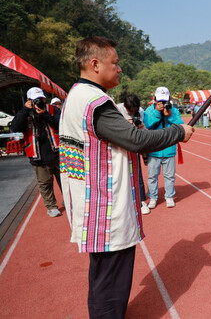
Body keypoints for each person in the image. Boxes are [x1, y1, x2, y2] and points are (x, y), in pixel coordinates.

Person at [59, 36, 194, 318]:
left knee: (103, 277)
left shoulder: (76, 95)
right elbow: (136, 139)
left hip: (92, 202)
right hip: (105, 208)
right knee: (110, 282)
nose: (120, 69)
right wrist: (179, 132)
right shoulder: (94, 102)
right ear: (95, 64)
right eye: (115, 63)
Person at [11, 87, 62, 218]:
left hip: (57, 153)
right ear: (29, 101)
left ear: (45, 99)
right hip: (38, 156)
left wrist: (45, 114)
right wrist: (25, 110)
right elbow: (15, 127)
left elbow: (60, 124)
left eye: (41, 99)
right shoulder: (25, 113)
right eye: (35, 100)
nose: (39, 102)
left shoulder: (52, 109)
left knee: (65, 180)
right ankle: (51, 206)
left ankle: (70, 201)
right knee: (45, 184)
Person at [144, 87, 185, 209]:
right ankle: (153, 197)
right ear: (155, 100)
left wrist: (170, 116)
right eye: (160, 101)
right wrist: (157, 112)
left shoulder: (174, 111)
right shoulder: (149, 110)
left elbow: (180, 126)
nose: (162, 104)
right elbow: (147, 125)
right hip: (154, 149)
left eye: (165, 101)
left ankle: (169, 196)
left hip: (169, 148)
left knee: (170, 175)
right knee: (152, 176)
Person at [116, 94, 151, 215]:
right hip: (120, 146)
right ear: (125, 106)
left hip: (134, 144)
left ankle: (141, 201)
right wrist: (125, 124)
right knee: (121, 175)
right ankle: (123, 202)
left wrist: (140, 126)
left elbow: (141, 128)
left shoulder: (140, 111)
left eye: (134, 110)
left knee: (137, 174)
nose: (132, 112)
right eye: (130, 111)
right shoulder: (117, 109)